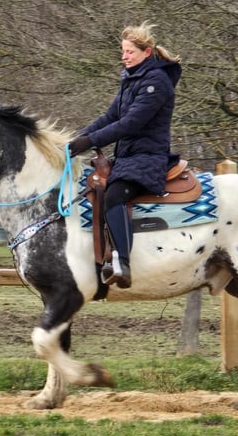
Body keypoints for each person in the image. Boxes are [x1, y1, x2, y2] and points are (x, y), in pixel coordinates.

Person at [68, 21, 182, 288]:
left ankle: (123, 262)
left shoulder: (156, 82)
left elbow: (131, 123)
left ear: (147, 51)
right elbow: (110, 116)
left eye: (129, 51)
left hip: (148, 157)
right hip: (129, 156)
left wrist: (90, 141)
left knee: (115, 194)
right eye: (123, 51)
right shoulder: (130, 78)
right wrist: (75, 140)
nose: (124, 57)